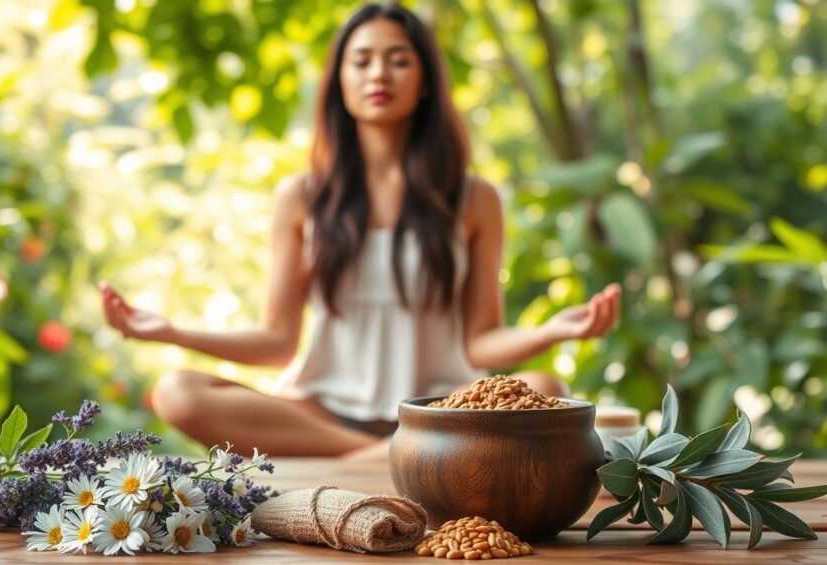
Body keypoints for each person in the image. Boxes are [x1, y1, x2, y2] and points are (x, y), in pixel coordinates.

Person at [100, 2, 620, 460]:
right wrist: (171, 331)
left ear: (424, 83)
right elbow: (278, 342)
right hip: (322, 416)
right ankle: (384, 456)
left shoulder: (473, 198)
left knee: (545, 386)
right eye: (362, 59)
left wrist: (555, 330)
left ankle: (403, 447)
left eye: (399, 60)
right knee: (177, 392)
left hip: (441, 413)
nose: (379, 73)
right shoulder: (300, 197)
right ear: (340, 80)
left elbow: (482, 341)